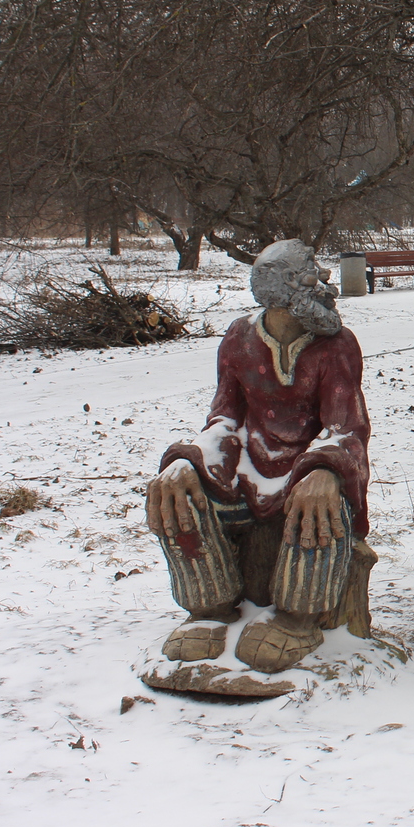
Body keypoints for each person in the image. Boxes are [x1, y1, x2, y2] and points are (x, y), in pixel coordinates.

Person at [145, 239, 371, 673]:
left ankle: (296, 619)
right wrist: (186, 461)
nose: (324, 277)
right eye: (311, 270)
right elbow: (225, 417)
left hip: (302, 475)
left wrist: (324, 469)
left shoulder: (336, 345)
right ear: (286, 288)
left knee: (321, 506)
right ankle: (210, 609)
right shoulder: (239, 337)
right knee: (177, 493)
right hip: (246, 472)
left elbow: (347, 426)